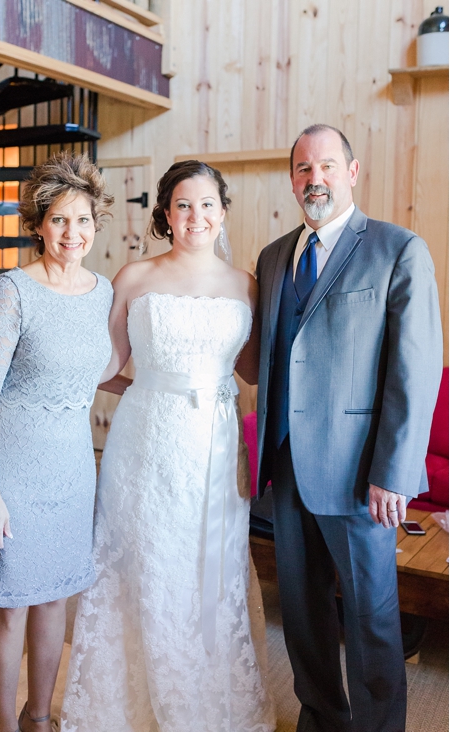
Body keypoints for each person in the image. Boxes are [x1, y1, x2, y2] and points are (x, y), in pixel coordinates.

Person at [60, 160, 275, 732]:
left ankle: (208, 699)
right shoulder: (134, 278)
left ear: (222, 212)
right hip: (145, 442)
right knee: (144, 562)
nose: (196, 216)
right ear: (165, 214)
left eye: (207, 204)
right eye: (183, 205)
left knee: (212, 565)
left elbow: (251, 372)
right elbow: (102, 366)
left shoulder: (245, 285)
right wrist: (149, 389)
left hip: (216, 443)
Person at [253, 124, 442, 732]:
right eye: (304, 169)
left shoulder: (398, 249)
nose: (316, 180)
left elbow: (414, 375)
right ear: (292, 179)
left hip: (361, 473)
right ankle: (322, 720)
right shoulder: (274, 255)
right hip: (285, 466)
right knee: (303, 612)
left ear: (353, 172)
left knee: (372, 616)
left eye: (328, 166)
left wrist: (394, 474)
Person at [0, 152, 113, 732]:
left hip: (71, 471)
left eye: (82, 221)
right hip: (12, 474)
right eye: (58, 220)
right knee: (11, 603)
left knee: (55, 597)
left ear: (96, 225)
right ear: (38, 225)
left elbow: (94, 371)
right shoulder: (12, 293)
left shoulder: (102, 293)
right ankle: (4, 723)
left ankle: (39, 716)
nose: (71, 233)